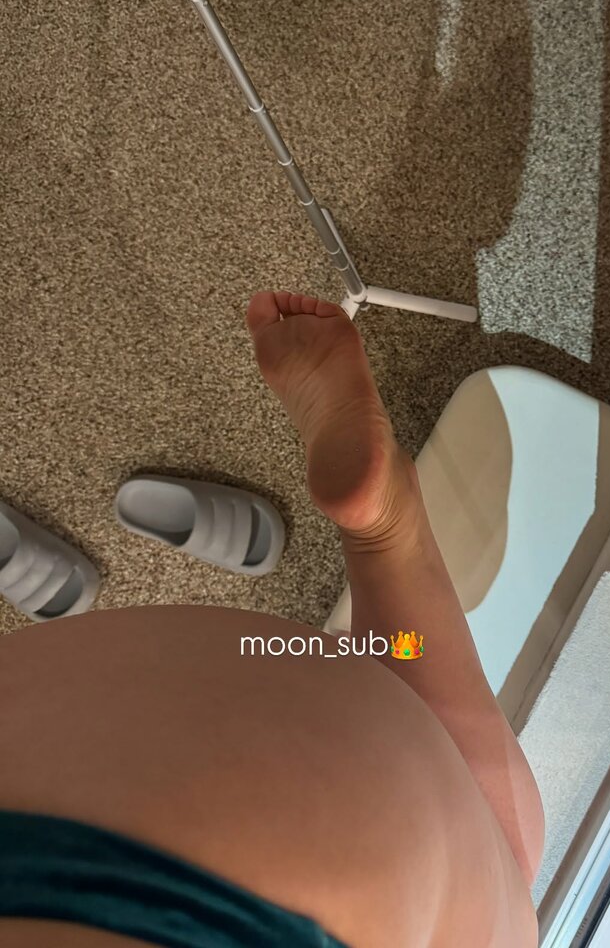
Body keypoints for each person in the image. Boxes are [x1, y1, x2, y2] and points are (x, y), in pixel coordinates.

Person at [0, 292, 544, 948]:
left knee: (505, 863)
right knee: (488, 843)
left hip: (379, 815)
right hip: (158, 846)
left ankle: (387, 528)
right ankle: (382, 533)